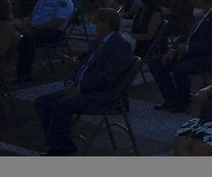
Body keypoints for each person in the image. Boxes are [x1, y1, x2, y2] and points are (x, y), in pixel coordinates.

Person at [30, 9, 136, 154]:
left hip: (101, 94)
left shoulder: (119, 46)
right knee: (42, 102)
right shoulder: (100, 41)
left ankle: (60, 148)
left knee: (61, 105)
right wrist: (72, 81)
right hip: (82, 88)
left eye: (96, 22)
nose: (93, 25)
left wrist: (81, 89)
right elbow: (84, 63)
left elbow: (110, 78)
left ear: (108, 24)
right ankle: (61, 142)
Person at [148, 0, 212, 112]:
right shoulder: (196, 17)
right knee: (156, 63)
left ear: (204, 2)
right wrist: (172, 50)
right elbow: (184, 36)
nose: (194, 6)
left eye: (196, 3)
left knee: (180, 69)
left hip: (205, 57)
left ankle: (183, 101)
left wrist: (187, 48)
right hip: (187, 53)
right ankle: (171, 99)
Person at [13, 0, 77, 84]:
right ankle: (9, 69)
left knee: (29, 39)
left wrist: (33, 28)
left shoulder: (62, 0)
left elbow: (57, 22)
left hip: (53, 33)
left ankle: (24, 73)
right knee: (11, 32)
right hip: (36, 29)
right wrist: (23, 24)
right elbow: (33, 17)